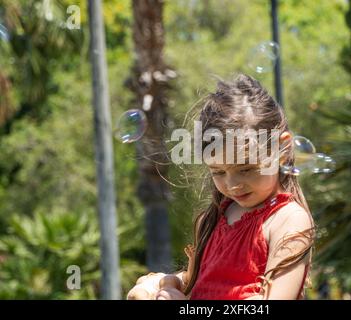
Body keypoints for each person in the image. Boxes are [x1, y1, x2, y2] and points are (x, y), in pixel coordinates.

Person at [127, 74, 315, 300]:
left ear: (281, 149)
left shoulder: (288, 220)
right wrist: (165, 284)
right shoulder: (213, 218)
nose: (233, 184)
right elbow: (207, 284)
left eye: (246, 168)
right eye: (218, 172)